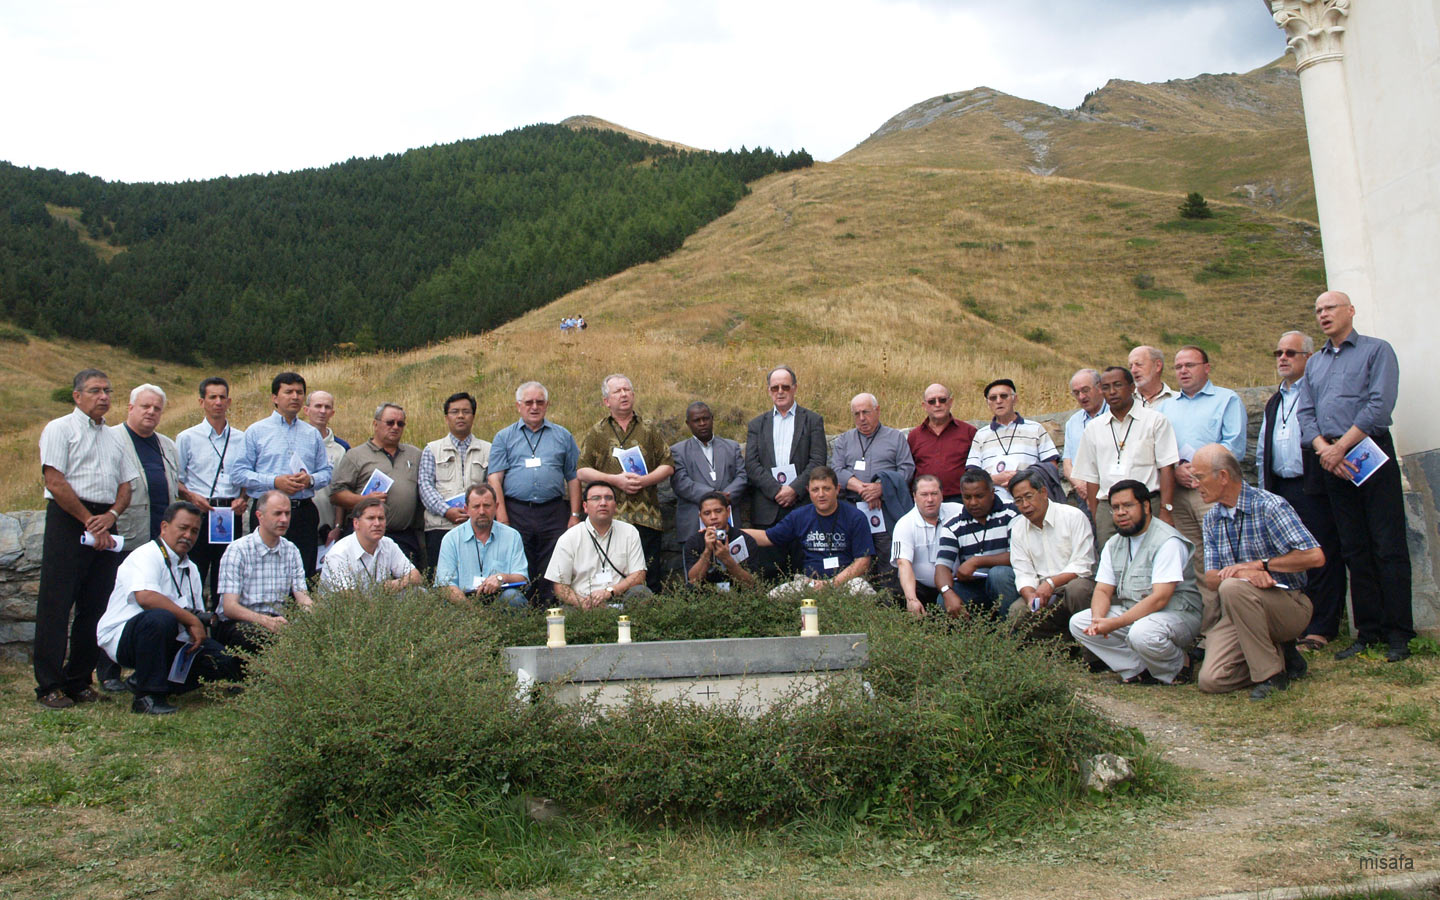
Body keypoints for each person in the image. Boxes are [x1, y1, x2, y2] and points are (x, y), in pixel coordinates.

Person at [1298, 290, 1414, 662]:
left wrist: (1340, 447)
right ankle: (1369, 631)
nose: (1323, 315)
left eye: (1330, 307)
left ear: (1350, 311)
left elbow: (1379, 405)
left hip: (1368, 452)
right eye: (1318, 310)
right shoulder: (1314, 363)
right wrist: (1324, 450)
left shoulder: (1377, 350)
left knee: (1387, 544)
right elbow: (1306, 414)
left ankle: (1399, 632)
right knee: (1353, 547)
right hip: (1331, 460)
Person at [33, 369, 137, 709]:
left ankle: (78, 680)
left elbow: (126, 486)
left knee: (97, 604)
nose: (104, 396)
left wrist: (110, 517)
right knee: (56, 603)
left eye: (108, 390)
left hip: (105, 521)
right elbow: (55, 480)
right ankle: (49, 684)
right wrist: (87, 521)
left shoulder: (117, 437)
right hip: (69, 518)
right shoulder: (60, 429)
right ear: (77, 396)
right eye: (95, 390)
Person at [1192, 445, 1321, 698]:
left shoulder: (1270, 506)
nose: (1195, 484)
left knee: (1231, 588)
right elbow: (1210, 579)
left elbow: (1314, 556)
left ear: (1223, 476)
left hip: (1288, 605)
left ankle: (1271, 676)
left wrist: (1262, 566)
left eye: (1199, 477)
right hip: (1239, 608)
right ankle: (1282, 655)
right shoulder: (1211, 518)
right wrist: (1243, 574)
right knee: (1212, 680)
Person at [94, 502, 242, 715]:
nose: (188, 536)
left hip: (171, 638)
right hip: (124, 637)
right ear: (164, 527)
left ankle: (152, 679)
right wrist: (190, 620)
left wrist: (198, 628)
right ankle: (146, 697)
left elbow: (195, 613)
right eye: (182, 528)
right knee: (160, 618)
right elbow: (145, 598)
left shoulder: (192, 569)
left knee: (222, 661)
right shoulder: (146, 555)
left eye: (194, 531)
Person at [1257, 330, 1347, 652]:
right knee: (1289, 557)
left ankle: (1322, 627)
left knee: (1321, 556)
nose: (1282, 358)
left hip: (1314, 486)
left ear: (1308, 358)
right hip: (1282, 489)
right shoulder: (1275, 400)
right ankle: (1296, 622)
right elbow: (1262, 450)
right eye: (1278, 353)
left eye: (1290, 353)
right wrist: (1265, 491)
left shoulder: (1317, 393)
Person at [1069, 480, 1203, 685]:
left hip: (1176, 615)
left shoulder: (1168, 542)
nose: (1120, 512)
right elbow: (1103, 590)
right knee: (1080, 623)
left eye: (1128, 505)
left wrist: (1113, 624)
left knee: (1141, 634)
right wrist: (1098, 621)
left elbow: (1160, 599)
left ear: (1146, 506)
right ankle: (1138, 669)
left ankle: (1179, 665)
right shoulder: (1114, 544)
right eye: (1115, 508)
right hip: (1136, 614)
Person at [1160, 346, 1247, 631]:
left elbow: (1234, 446)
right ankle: (1208, 630)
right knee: (1195, 562)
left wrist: (1200, 471)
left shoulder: (1226, 399)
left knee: (1224, 557)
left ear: (1206, 368)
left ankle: (1237, 624)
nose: (1183, 371)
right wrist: (1175, 469)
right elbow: (1160, 447)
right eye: (1178, 367)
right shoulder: (1168, 406)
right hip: (1180, 493)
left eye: (1190, 365)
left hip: (1214, 492)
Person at [577, 374, 675, 590]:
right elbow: (582, 471)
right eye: (617, 391)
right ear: (606, 401)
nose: (623, 394)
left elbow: (668, 464)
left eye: (627, 390)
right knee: (609, 576)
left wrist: (645, 480)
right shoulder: (597, 432)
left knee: (648, 576)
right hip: (609, 519)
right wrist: (614, 480)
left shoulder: (649, 429)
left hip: (646, 517)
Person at [487, 381, 582, 603]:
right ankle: (524, 613)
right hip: (517, 509)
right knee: (521, 562)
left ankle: (551, 611)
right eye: (528, 402)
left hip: (553, 510)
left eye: (540, 402)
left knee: (554, 563)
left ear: (547, 405)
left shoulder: (563, 436)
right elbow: (495, 478)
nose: (534, 407)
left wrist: (575, 515)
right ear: (518, 406)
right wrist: (502, 515)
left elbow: (574, 476)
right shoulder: (504, 437)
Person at [231, 372, 333, 578]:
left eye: (299, 392)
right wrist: (274, 482)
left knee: (303, 574)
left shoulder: (311, 433)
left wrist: (310, 480)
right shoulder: (256, 431)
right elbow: (239, 473)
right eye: (288, 392)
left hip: (303, 512)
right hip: (267, 513)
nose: (295, 397)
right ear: (275, 398)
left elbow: (327, 472)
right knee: (265, 573)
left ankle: (300, 610)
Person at [1070, 366, 1178, 548]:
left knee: (1151, 558)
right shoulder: (1094, 428)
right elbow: (1091, 476)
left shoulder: (1154, 421)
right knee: (1112, 563)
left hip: (1147, 502)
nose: (1112, 392)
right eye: (1106, 387)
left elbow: (1167, 467)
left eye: (1118, 385)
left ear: (1132, 387)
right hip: (1108, 507)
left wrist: (1166, 510)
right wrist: (1098, 516)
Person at [742, 466, 876, 598]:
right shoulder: (799, 516)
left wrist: (831, 584)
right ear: (808, 491)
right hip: (809, 583)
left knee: (863, 591)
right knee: (773, 597)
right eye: (815, 490)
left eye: (826, 489)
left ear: (837, 489)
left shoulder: (855, 517)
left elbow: (863, 561)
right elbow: (766, 537)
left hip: (846, 582)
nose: (821, 494)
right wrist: (730, 530)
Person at [744, 366, 827, 575]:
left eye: (785, 387)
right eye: (775, 388)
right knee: (770, 572)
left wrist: (794, 489)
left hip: (802, 505)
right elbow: (752, 464)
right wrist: (777, 491)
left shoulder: (812, 420)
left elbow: (817, 461)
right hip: (767, 507)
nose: (780, 392)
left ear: (795, 388)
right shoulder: (756, 424)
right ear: (768, 390)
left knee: (805, 569)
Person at [175, 377, 248, 612]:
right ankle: (192, 618)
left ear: (229, 401)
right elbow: (176, 480)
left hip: (230, 513)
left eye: (222, 397)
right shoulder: (187, 437)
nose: (218, 402)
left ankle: (221, 621)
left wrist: (243, 498)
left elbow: (247, 475)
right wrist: (191, 496)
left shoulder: (242, 438)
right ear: (201, 401)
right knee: (194, 568)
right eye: (212, 397)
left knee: (226, 571)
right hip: (200, 511)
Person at [215, 491, 312, 657]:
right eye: (277, 514)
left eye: (287, 513)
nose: (284, 519)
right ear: (260, 516)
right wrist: (265, 621)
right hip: (239, 623)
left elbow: (303, 597)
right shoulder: (238, 550)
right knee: (257, 635)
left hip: (277, 621)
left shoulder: (291, 550)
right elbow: (229, 607)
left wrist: (315, 620)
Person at [830, 392, 914, 579]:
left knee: (887, 556)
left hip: (885, 508)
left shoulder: (896, 438)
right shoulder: (844, 440)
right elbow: (836, 469)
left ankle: (889, 601)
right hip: (853, 507)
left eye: (866, 412)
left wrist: (881, 488)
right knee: (855, 556)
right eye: (856, 414)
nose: (862, 418)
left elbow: (907, 469)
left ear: (877, 411)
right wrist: (862, 488)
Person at [330, 403, 425, 566]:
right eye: (390, 422)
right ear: (375, 424)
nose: (395, 427)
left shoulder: (415, 455)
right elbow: (336, 494)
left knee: (406, 584)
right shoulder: (355, 456)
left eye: (400, 424)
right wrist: (363, 500)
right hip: (365, 536)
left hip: (404, 536)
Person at [1006, 468, 1096, 641]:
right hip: (1043, 593)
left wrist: (1051, 583)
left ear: (1043, 492)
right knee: (1017, 611)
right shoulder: (1018, 529)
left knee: (1077, 590)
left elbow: (1083, 564)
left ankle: (1092, 654)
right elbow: (1023, 572)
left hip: (1074, 584)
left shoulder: (1072, 516)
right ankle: (1062, 646)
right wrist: (1030, 595)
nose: (1025, 505)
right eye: (1018, 500)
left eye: (1029, 496)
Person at [545, 482, 650, 608]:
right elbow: (560, 586)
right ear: (585, 506)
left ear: (615, 506)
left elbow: (639, 575)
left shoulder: (629, 532)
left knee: (641, 593)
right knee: (563, 615)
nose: (603, 503)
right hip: (582, 603)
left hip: (620, 599)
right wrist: (582, 603)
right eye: (596, 498)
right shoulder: (569, 538)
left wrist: (609, 592)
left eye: (608, 498)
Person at [420, 392, 492, 568]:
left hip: (477, 527)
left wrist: (477, 512)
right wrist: (447, 511)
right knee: (441, 579)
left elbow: (492, 487)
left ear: (473, 416)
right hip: (440, 527)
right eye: (455, 412)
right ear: (446, 418)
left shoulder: (488, 449)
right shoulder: (432, 449)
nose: (460, 416)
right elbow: (425, 486)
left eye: (466, 411)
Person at [934, 468, 1019, 618]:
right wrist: (948, 593)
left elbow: (1020, 555)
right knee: (944, 600)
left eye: (979, 496)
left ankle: (1011, 633)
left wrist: (977, 561)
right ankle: (973, 639)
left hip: (1009, 581)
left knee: (999, 574)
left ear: (992, 493)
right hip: (974, 586)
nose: (973, 502)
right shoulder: (953, 525)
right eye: (967, 497)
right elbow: (942, 567)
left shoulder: (1011, 512)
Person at [110, 384, 181, 551]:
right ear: (131, 408)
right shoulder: (110, 440)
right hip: (125, 539)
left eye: (157, 408)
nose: (151, 411)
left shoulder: (168, 445)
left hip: (161, 540)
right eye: (145, 406)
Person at [434, 484, 529, 607]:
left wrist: (501, 577)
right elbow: (445, 585)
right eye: (476, 507)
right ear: (466, 509)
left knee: (513, 597)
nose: (482, 511)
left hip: (500, 596)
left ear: (496, 507)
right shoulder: (451, 539)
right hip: (463, 599)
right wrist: (471, 610)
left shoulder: (512, 536)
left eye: (487, 506)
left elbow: (522, 577)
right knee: (447, 603)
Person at [966, 379, 1059, 500]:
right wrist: (994, 479)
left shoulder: (1036, 429)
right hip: (993, 504)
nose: (998, 401)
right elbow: (972, 475)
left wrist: (1022, 478)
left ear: (1015, 399)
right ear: (988, 403)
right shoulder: (981, 435)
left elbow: (1051, 467)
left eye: (1004, 396)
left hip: (1030, 501)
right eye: (993, 398)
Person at [670, 401, 747, 544]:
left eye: (705, 419)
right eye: (696, 420)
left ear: (712, 418)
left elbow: (742, 477)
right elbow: (681, 483)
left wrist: (726, 497)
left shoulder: (731, 447)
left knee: (735, 565)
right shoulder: (677, 451)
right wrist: (714, 497)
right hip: (694, 526)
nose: (702, 423)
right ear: (688, 423)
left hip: (730, 525)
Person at [892, 474, 962, 616]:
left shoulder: (959, 512)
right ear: (914, 496)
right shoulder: (904, 524)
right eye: (924, 494)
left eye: (934, 494)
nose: (930, 499)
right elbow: (903, 563)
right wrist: (911, 599)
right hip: (921, 589)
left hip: (956, 584)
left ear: (942, 495)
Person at [319, 496, 423, 591]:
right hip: (344, 609)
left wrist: (394, 585)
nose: (377, 524)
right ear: (356, 523)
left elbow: (416, 576)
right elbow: (348, 599)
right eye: (371, 518)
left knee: (419, 592)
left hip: (378, 605)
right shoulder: (339, 553)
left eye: (381, 518)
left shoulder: (388, 544)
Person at [907, 383, 978, 502]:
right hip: (926, 501)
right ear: (924, 406)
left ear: (950, 402)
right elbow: (909, 470)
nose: (937, 405)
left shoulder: (969, 432)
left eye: (942, 400)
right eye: (932, 401)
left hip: (960, 499)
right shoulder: (914, 436)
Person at [682, 491, 759, 589]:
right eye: (707, 513)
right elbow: (693, 580)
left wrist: (727, 559)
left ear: (728, 512)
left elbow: (751, 584)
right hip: (705, 598)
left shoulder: (745, 540)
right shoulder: (693, 542)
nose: (713, 517)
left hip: (739, 598)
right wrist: (707, 551)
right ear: (700, 516)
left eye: (718, 511)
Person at [303, 390, 349, 550]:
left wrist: (338, 526)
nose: (322, 411)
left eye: (327, 407)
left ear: (332, 412)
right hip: (298, 524)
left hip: (327, 529)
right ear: (306, 410)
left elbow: (341, 489)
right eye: (317, 406)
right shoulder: (294, 443)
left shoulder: (342, 448)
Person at [1061, 369, 1107, 506]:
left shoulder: (1115, 415)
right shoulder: (1073, 423)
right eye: (1076, 393)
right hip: (1083, 495)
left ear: (1099, 388)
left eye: (1085, 390)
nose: (1081, 397)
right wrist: (1081, 486)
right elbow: (1067, 463)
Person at [1128, 345, 1178, 409]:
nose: (1133, 370)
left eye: (1139, 364)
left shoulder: (1178, 400)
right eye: (1130, 367)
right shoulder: (1123, 402)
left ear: (1158, 366)